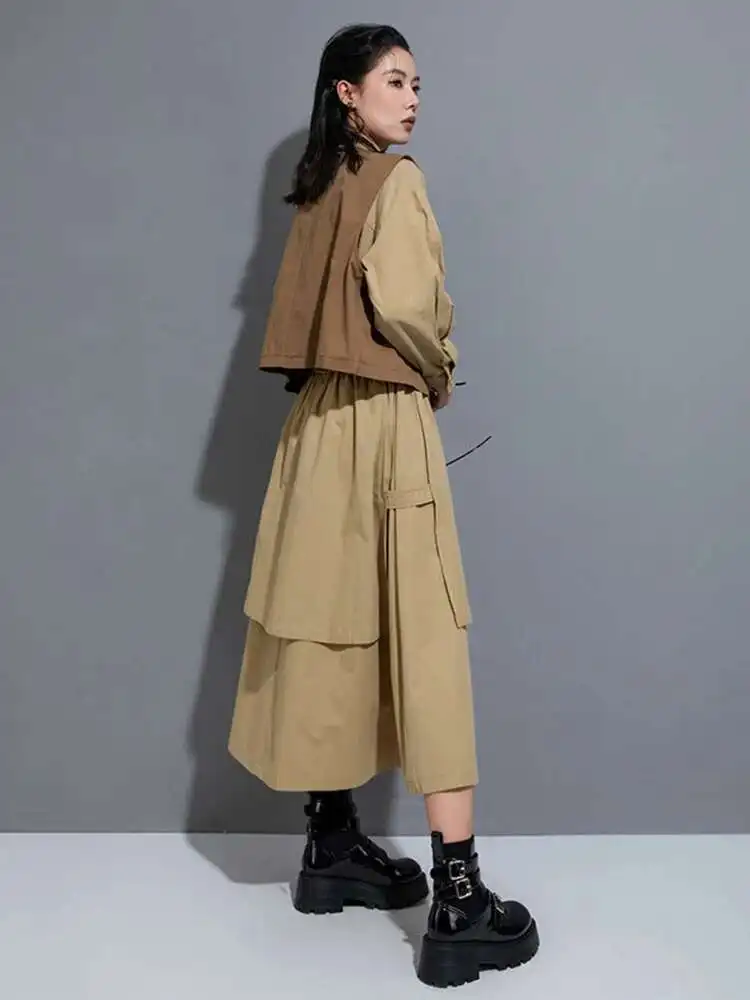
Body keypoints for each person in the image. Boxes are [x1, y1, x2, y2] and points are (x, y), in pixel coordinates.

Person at [227, 23, 539, 988]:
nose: (412, 99)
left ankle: (331, 843)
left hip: (316, 428)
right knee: (426, 634)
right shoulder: (396, 183)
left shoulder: (317, 187)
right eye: (395, 81)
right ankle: (459, 899)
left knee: (328, 623)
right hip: (384, 423)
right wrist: (439, 370)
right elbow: (404, 304)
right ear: (347, 92)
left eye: (416, 84)